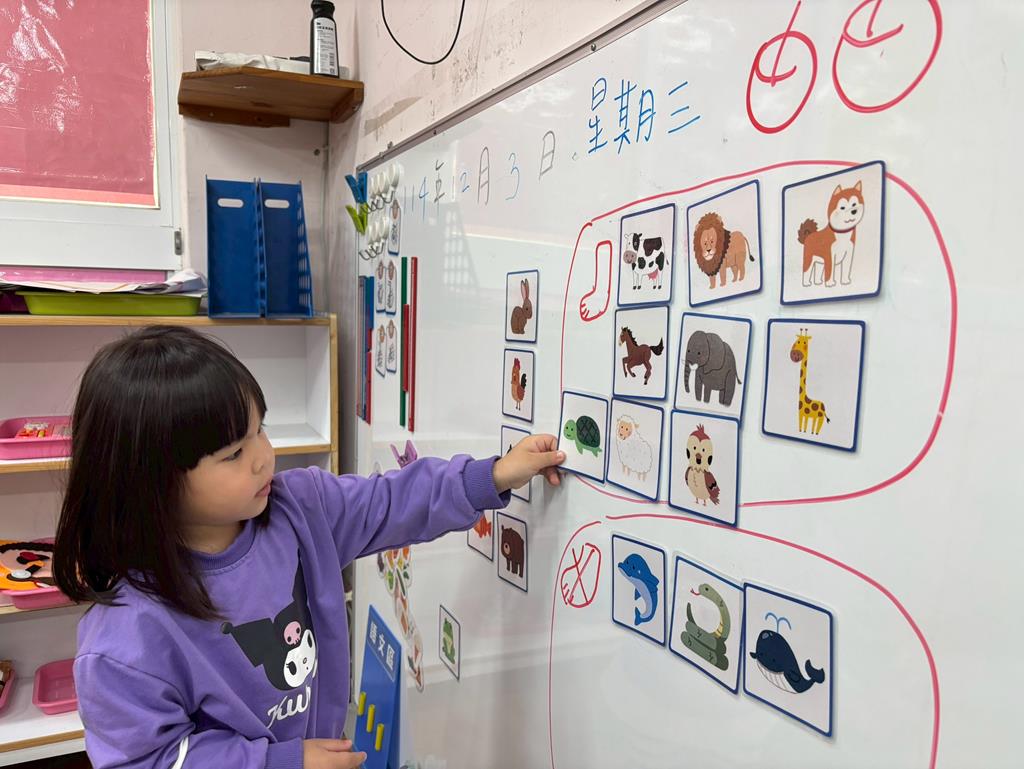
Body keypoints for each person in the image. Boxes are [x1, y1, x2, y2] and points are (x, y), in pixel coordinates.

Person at [54, 325, 564, 769]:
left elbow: (392, 501)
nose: (263, 457)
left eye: (260, 429)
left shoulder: (299, 508)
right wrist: (283, 761)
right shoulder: (125, 638)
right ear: (152, 482)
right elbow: (150, 760)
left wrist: (493, 475)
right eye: (234, 452)